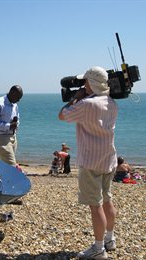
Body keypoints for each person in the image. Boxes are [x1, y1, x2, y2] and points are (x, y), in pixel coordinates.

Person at [59, 66, 118, 259]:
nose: (83, 85)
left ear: (90, 83)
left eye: (85, 82)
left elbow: (62, 115)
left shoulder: (86, 105)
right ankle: (110, 239)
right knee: (107, 199)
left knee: (95, 205)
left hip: (90, 161)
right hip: (108, 158)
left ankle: (99, 249)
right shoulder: (111, 102)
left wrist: (76, 97)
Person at [0, 85, 23, 167]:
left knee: (6, 166)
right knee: (12, 165)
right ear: (12, 93)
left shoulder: (15, 105)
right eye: (18, 97)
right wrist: (9, 126)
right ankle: (13, 179)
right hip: (1, 138)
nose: (18, 100)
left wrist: (16, 124)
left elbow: (17, 118)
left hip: (13, 137)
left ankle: (0, 178)